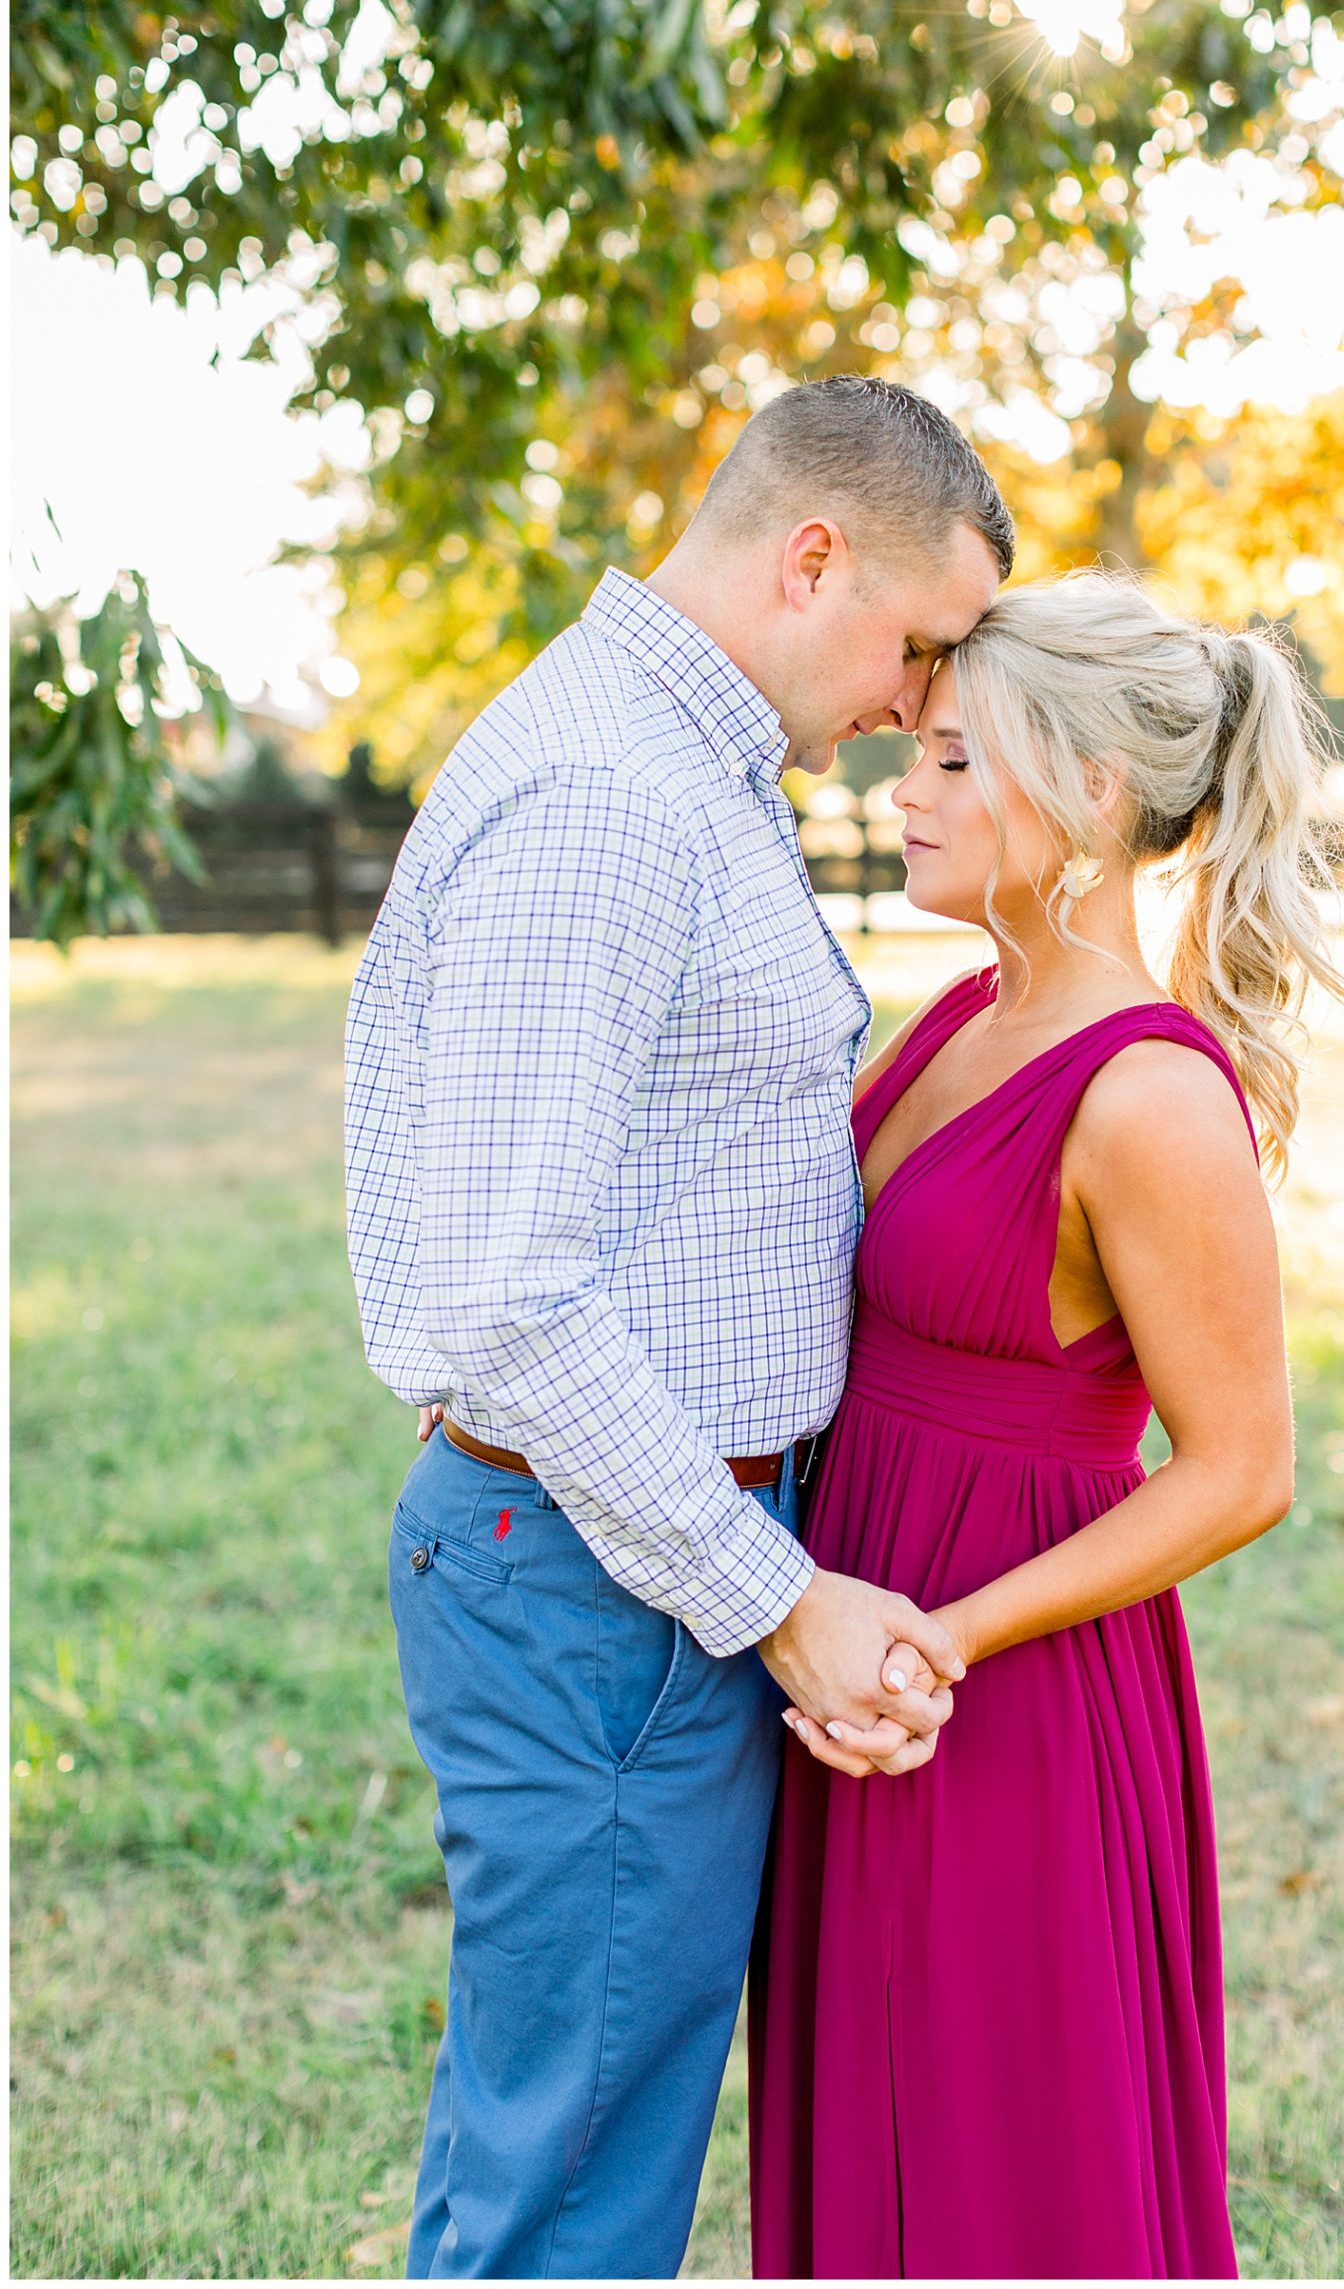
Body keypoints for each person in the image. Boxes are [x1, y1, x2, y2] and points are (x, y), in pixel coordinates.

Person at [342, 377, 1009, 2279]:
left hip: (630, 1557)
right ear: (813, 556)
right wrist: (774, 1594)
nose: (912, 701)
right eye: (914, 641)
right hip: (603, 1575)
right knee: (572, 2185)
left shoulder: (674, 764)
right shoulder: (610, 797)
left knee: (591, 2131)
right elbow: (514, 1297)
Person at [749, 570, 1344, 2279]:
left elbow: (1243, 1472)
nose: (899, 792)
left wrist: (945, 1642)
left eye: (953, 762)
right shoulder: (958, 1014)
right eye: (911, 754)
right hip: (854, 1644)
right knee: (864, 2115)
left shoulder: (1149, 1093)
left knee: (999, 2157)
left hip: (999, 1683)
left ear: (1093, 795)